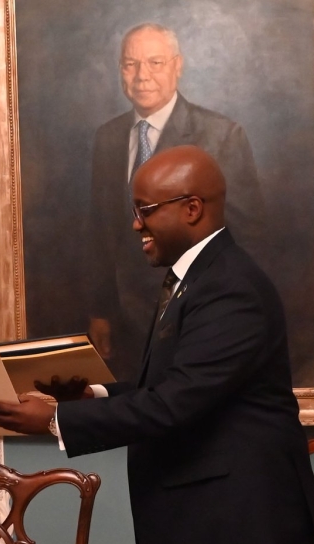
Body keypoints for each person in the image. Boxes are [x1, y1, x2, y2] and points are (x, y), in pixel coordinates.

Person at [0, 146, 314, 544]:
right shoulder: (197, 279)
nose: (135, 225)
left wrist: (53, 420)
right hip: (198, 536)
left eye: (144, 211)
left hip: (237, 540)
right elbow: (175, 385)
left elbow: (174, 403)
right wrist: (93, 395)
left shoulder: (230, 289)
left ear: (192, 209)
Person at [86, 22, 268, 381]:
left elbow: (249, 236)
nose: (141, 76)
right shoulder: (108, 137)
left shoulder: (221, 135)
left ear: (177, 65)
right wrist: (101, 310)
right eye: (130, 64)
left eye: (155, 63)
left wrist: (213, 308)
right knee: (137, 419)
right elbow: (100, 233)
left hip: (195, 312)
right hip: (125, 318)